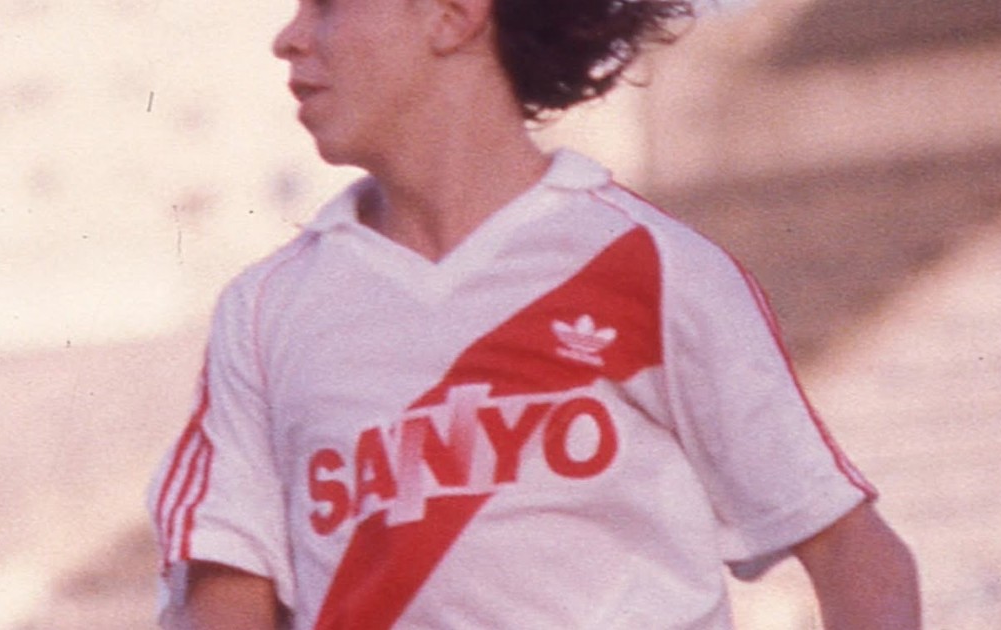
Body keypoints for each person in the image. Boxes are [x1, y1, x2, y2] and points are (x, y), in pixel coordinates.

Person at [147, 0, 922, 628]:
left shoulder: (651, 266)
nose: (288, 38)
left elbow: (855, 553)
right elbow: (226, 583)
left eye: (325, 4)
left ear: (452, 14)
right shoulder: (265, 309)